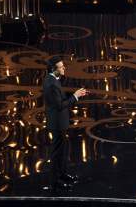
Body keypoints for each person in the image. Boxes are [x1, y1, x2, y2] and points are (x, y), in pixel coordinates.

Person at [43, 55, 87, 191]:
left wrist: (75, 95)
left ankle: (62, 175)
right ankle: (54, 182)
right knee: (57, 153)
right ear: (54, 69)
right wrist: (75, 96)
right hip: (57, 124)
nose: (64, 68)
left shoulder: (53, 80)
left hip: (59, 122)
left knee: (62, 151)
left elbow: (60, 99)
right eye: (61, 67)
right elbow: (60, 105)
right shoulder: (51, 83)